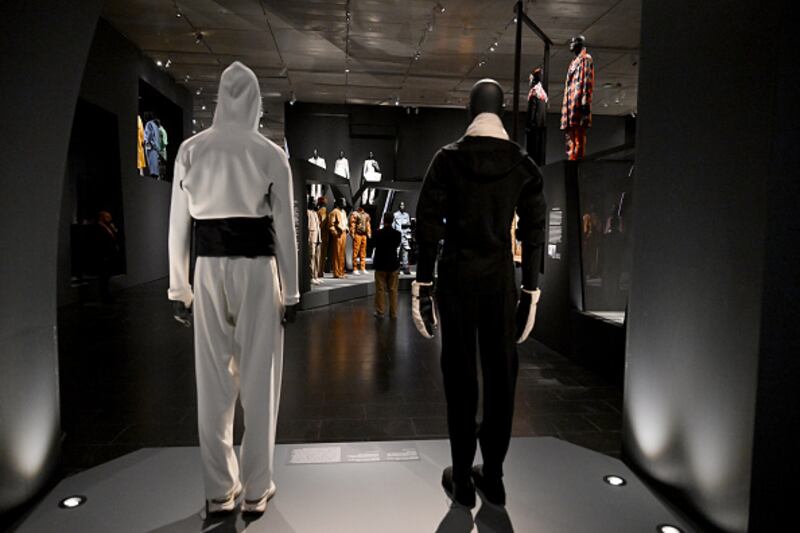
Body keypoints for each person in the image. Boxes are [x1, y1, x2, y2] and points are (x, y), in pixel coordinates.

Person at [168, 61, 299, 517]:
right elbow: (285, 229)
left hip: (206, 271)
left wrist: (178, 287)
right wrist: (293, 292)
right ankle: (257, 487)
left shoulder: (191, 149)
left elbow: (178, 225)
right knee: (260, 381)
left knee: (212, 383)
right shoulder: (269, 153)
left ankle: (219, 490)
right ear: (256, 101)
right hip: (258, 272)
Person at [411, 79, 547, 509]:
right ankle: (494, 475)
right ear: (501, 111)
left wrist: (423, 285)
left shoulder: (447, 159)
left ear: (471, 111)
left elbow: (428, 224)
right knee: (502, 375)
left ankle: (462, 476)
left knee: (460, 374)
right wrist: (531, 290)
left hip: (456, 277)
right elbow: (534, 229)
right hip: (499, 281)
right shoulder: (522, 164)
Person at [373, 212, 401, 318]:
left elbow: (374, 244)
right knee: (393, 290)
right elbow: (397, 245)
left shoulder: (377, 233)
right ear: (393, 221)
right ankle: (393, 313)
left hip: (380, 264)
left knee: (380, 289)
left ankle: (380, 312)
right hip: (393, 264)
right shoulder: (397, 234)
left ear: (383, 220)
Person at [328, 197, 348, 278]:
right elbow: (331, 225)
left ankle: (341, 272)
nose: (345, 203)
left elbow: (345, 223)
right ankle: (336, 273)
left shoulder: (344, 212)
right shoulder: (334, 212)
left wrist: (347, 229)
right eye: (343, 202)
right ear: (339, 203)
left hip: (344, 233)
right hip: (338, 234)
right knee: (337, 254)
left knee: (342, 254)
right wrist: (335, 233)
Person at [349, 206, 371, 274]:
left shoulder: (366, 215)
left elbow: (368, 224)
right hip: (357, 234)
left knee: (363, 252)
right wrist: (352, 233)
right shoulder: (355, 214)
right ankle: (355, 268)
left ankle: (363, 267)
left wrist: (369, 232)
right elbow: (352, 224)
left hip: (364, 235)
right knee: (356, 252)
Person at [392, 201, 412, 274]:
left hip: (405, 236)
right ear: (399, 206)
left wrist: (409, 234)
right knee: (396, 252)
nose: (402, 207)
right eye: (401, 205)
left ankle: (405, 268)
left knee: (405, 252)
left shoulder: (407, 215)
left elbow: (409, 225)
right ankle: (396, 267)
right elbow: (393, 225)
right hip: (398, 235)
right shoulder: (395, 214)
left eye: (403, 205)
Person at [307, 199, 322, 285]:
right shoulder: (307, 212)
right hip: (312, 238)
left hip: (317, 237)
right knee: (311, 257)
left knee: (317, 257)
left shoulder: (315, 213)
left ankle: (316, 276)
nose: (315, 204)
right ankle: (311, 277)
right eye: (313, 202)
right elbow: (307, 227)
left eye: (315, 202)